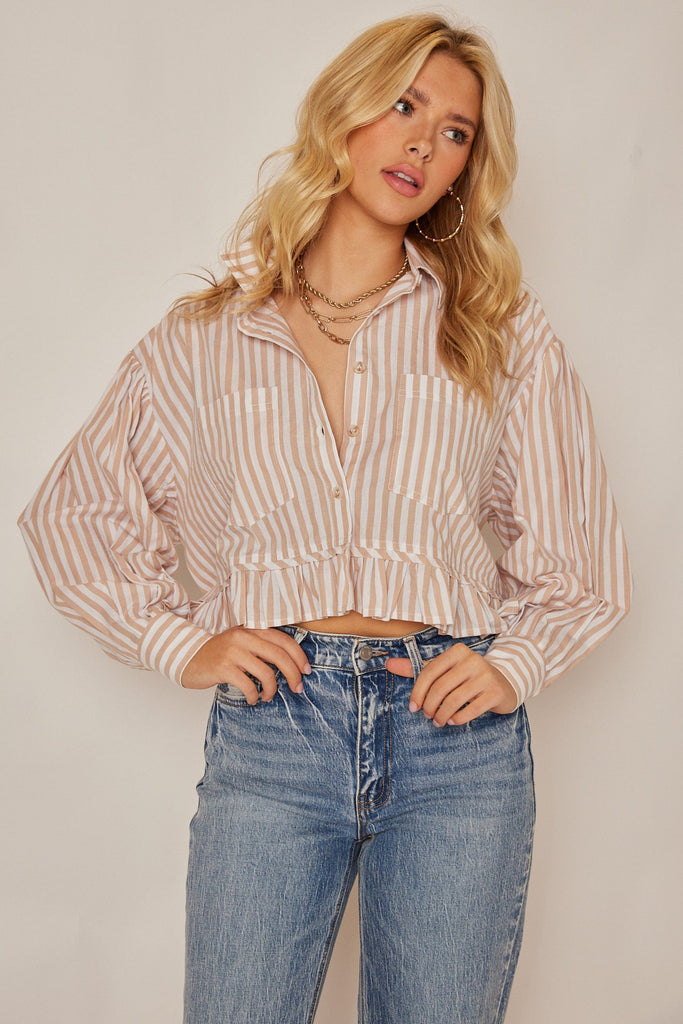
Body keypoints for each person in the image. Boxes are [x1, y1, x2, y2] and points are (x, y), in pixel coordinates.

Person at [18, 12, 631, 1024]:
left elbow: (580, 555)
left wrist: (513, 663)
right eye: (403, 105)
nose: (423, 143)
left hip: (455, 742)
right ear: (342, 114)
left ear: (465, 167)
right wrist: (181, 643)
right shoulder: (207, 337)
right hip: (276, 730)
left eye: (454, 131)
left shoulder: (496, 331)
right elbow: (72, 515)